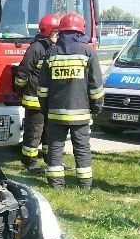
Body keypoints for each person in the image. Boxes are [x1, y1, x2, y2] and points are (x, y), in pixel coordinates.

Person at [37, 12, 104, 189]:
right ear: (80, 32)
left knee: (55, 148)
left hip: (56, 112)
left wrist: (46, 109)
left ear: (61, 31)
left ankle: (56, 184)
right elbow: (95, 85)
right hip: (80, 113)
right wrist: (96, 108)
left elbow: (42, 87)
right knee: (82, 148)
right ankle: (85, 184)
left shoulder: (51, 52)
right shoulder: (87, 52)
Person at [14, 13, 60, 173]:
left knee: (49, 131)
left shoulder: (55, 48)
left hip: (48, 99)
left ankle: (49, 158)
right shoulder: (36, 48)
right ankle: (29, 160)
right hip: (34, 98)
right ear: (46, 31)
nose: (58, 35)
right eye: (55, 32)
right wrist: (20, 90)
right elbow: (22, 72)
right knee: (34, 132)